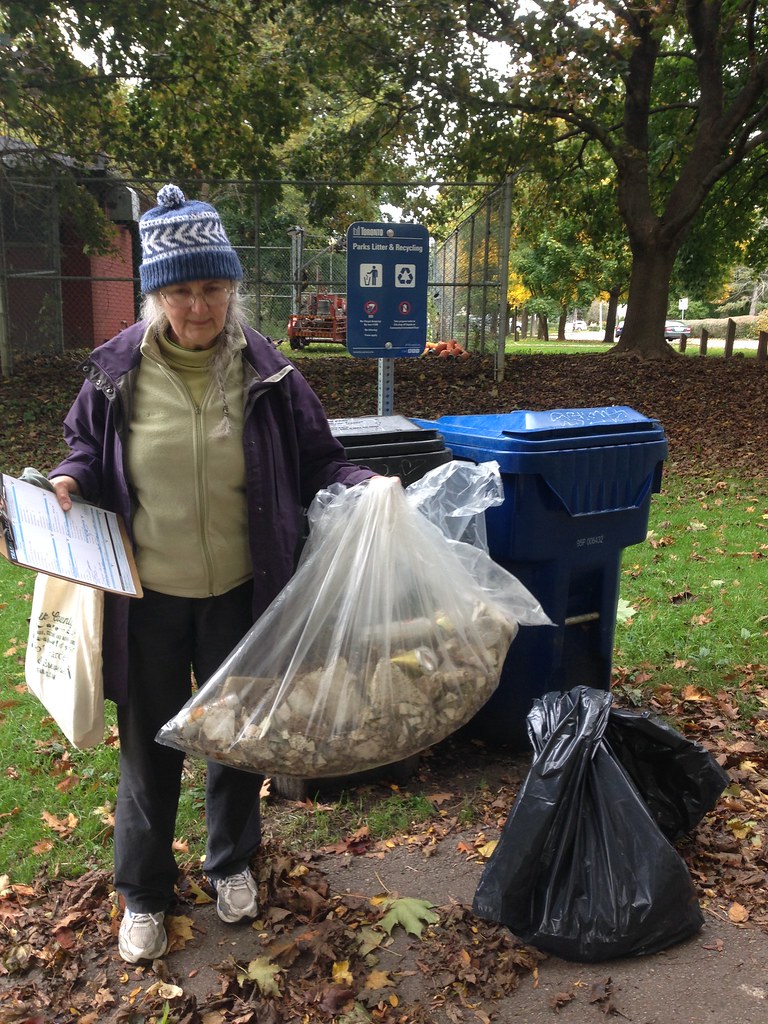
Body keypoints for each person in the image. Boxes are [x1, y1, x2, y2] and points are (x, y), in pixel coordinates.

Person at [48, 184, 376, 963]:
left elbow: (321, 459)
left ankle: (230, 862)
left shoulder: (271, 374)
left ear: (232, 288)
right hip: (148, 599)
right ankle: (143, 893)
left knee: (236, 743)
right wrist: (67, 479)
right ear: (156, 294)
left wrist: (368, 487)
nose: (198, 307)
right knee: (149, 751)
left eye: (213, 288)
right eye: (181, 290)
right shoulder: (112, 376)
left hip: (242, 594)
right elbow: (86, 451)